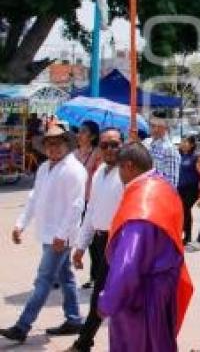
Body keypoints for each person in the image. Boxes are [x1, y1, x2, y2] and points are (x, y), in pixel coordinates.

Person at [98, 142, 193, 351]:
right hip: (163, 288)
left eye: (119, 169)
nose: (119, 175)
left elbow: (126, 263)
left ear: (129, 166)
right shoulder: (163, 186)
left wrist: (108, 301)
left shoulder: (141, 206)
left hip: (142, 297)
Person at [1, 125, 87, 344]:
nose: (53, 147)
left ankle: (22, 326)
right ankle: (74, 319)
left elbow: (76, 206)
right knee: (66, 277)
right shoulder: (44, 168)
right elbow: (33, 198)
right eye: (49, 144)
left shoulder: (74, 170)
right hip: (48, 233)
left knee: (43, 280)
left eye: (58, 143)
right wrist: (21, 224)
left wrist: (62, 235)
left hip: (60, 236)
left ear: (67, 145)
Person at [67, 128, 126, 352]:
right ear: (99, 148)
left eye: (115, 144)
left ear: (123, 145)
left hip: (120, 244)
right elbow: (91, 211)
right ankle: (84, 342)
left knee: (112, 297)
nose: (110, 149)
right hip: (100, 242)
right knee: (100, 296)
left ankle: (84, 342)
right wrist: (81, 246)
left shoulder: (128, 173)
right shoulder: (100, 171)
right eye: (105, 145)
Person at [74, 120, 101, 289]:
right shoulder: (74, 154)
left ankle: (96, 277)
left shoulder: (97, 153)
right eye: (79, 131)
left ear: (92, 136)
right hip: (75, 202)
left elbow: (99, 176)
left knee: (94, 243)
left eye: (84, 131)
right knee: (76, 239)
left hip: (91, 202)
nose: (79, 134)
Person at [144, 115, 181, 186]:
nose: (156, 130)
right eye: (153, 126)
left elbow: (171, 184)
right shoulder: (147, 143)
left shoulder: (170, 150)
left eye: (159, 126)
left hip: (159, 193)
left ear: (166, 128)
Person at [177, 135, 200, 244]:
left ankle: (188, 236)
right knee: (182, 211)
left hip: (192, 188)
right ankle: (183, 233)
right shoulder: (182, 155)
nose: (182, 144)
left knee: (186, 210)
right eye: (182, 142)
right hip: (181, 188)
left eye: (185, 142)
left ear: (191, 144)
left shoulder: (195, 156)